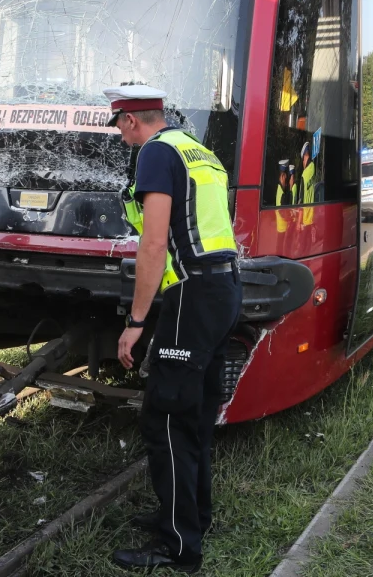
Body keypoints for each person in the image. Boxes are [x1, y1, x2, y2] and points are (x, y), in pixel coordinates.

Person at [106, 85, 240, 574]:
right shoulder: (197, 150)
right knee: (197, 414)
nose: (121, 133)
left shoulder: (156, 154)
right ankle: (191, 516)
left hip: (193, 295)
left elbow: (154, 243)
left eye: (119, 125)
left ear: (129, 121)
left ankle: (178, 547)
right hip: (224, 288)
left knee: (165, 417)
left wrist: (136, 321)